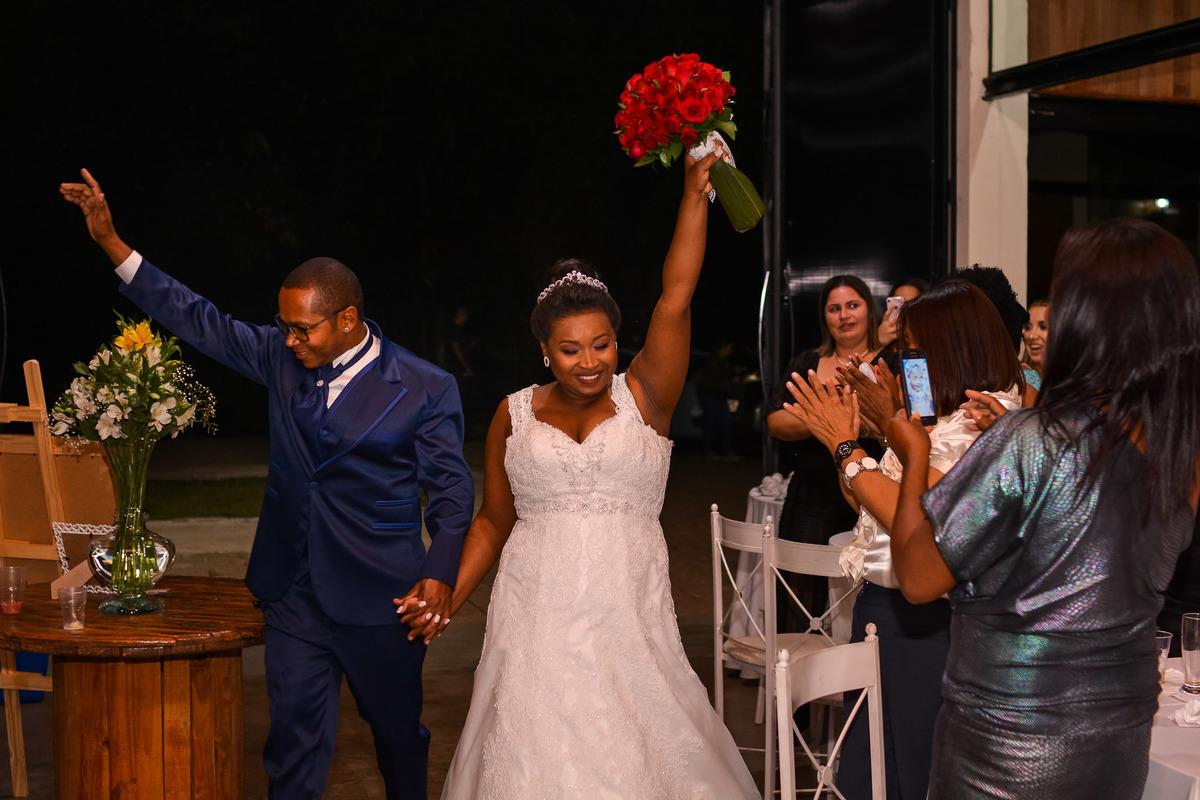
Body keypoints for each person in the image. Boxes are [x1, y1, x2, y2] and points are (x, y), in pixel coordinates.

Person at [60, 169, 475, 800]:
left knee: (396, 739)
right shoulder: (282, 358)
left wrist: (441, 573)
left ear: (348, 319)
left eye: (302, 328)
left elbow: (452, 494)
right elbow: (197, 318)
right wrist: (114, 244)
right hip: (293, 595)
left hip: (382, 599)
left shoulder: (425, 387)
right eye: (283, 326)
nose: (289, 340)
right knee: (292, 748)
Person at [398, 150, 759, 798]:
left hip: (628, 612)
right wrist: (445, 591)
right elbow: (493, 520)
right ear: (544, 348)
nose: (589, 361)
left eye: (601, 344)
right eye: (570, 349)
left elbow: (676, 297)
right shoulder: (512, 416)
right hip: (534, 616)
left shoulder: (646, 396)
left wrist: (694, 192)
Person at [884, 218, 1200, 798]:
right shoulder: (1181, 453)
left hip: (1006, 755)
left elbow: (917, 576)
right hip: (1117, 749)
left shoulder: (1032, 440)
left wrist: (913, 456)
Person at [783, 280, 1023, 800]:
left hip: (931, 622)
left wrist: (846, 446)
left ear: (954, 347)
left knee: (917, 776)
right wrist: (857, 437)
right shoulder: (944, 418)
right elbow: (871, 510)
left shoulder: (984, 423)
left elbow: (925, 521)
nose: (906, 359)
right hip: (888, 613)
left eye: (916, 347)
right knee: (875, 775)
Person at [766, 275, 896, 627]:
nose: (844, 315)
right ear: (825, 318)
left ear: (868, 310)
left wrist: (817, 408)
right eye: (834, 308)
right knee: (799, 592)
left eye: (852, 305)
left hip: (870, 491)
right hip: (811, 493)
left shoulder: (889, 362)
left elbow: (897, 421)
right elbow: (775, 422)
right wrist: (827, 417)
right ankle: (796, 674)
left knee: (868, 591)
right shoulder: (807, 361)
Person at [877, 276, 931, 349]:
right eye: (898, 304)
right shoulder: (888, 340)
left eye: (910, 304)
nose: (903, 311)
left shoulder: (933, 339)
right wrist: (878, 342)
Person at [1021, 298, 1049, 382]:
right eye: (1028, 328)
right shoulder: (1016, 379)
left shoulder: (1078, 380)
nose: (1032, 336)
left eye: (1043, 327)